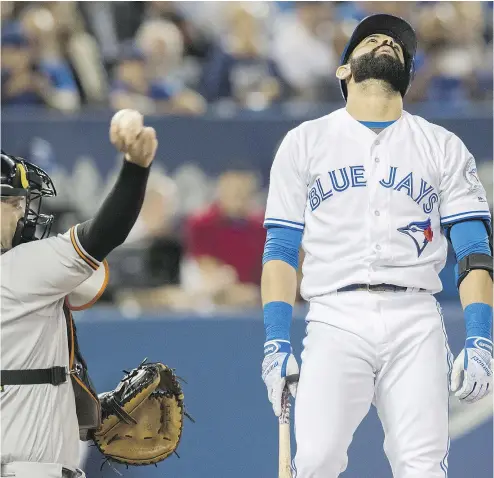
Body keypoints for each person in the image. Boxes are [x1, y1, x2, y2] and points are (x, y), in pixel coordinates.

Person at [260, 13, 492, 478]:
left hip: (415, 319)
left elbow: (474, 250)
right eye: (372, 39)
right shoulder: (305, 142)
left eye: (397, 43)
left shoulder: (442, 146)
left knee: (422, 466)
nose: (387, 41)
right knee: (316, 461)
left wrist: (482, 336)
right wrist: (275, 339)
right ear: (344, 69)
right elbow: (282, 250)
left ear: (407, 72)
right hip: (334, 315)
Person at [1, 109, 157, 478]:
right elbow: (104, 233)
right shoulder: (20, 269)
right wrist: (136, 168)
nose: (24, 211)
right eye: (11, 203)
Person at [184, 166, 265, 308]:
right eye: (233, 191)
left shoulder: (263, 227)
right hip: (213, 302)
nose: (238, 196)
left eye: (242, 191)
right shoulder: (201, 224)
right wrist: (230, 289)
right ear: (221, 190)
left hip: (257, 303)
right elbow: (204, 267)